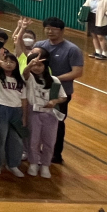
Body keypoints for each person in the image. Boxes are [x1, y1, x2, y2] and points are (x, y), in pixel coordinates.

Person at [34, 17, 83, 164]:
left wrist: (54, 79)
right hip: (39, 91)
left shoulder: (72, 50)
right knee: (37, 121)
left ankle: (56, 154)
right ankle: (36, 150)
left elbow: (77, 72)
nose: (50, 31)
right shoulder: (39, 46)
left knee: (57, 123)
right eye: (47, 28)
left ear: (62, 30)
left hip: (61, 92)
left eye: (54, 29)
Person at [23, 48, 65, 178]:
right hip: (34, 112)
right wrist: (29, 64)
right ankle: (33, 163)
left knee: (49, 141)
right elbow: (25, 73)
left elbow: (63, 97)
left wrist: (55, 101)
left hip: (50, 114)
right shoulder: (29, 79)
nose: (36, 68)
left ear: (45, 66)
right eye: (33, 65)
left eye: (39, 65)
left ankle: (46, 164)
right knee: (33, 140)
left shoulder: (54, 80)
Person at [0, 51, 26, 178]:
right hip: (0, 108)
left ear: (16, 64)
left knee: (16, 139)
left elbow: (24, 100)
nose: (8, 64)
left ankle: (13, 164)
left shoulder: (20, 79)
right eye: (6, 61)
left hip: (16, 110)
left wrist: (24, 116)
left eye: (12, 62)